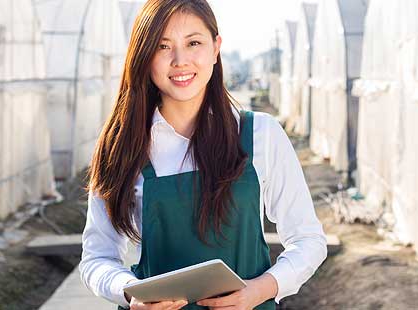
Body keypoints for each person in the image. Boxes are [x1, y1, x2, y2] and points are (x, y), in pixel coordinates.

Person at [80, 0, 327, 309]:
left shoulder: (260, 134)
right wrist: (130, 292)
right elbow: (97, 257)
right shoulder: (122, 146)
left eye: (194, 43)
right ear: (144, 57)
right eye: (162, 46)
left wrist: (261, 289)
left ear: (215, 47)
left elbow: (309, 241)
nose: (180, 60)